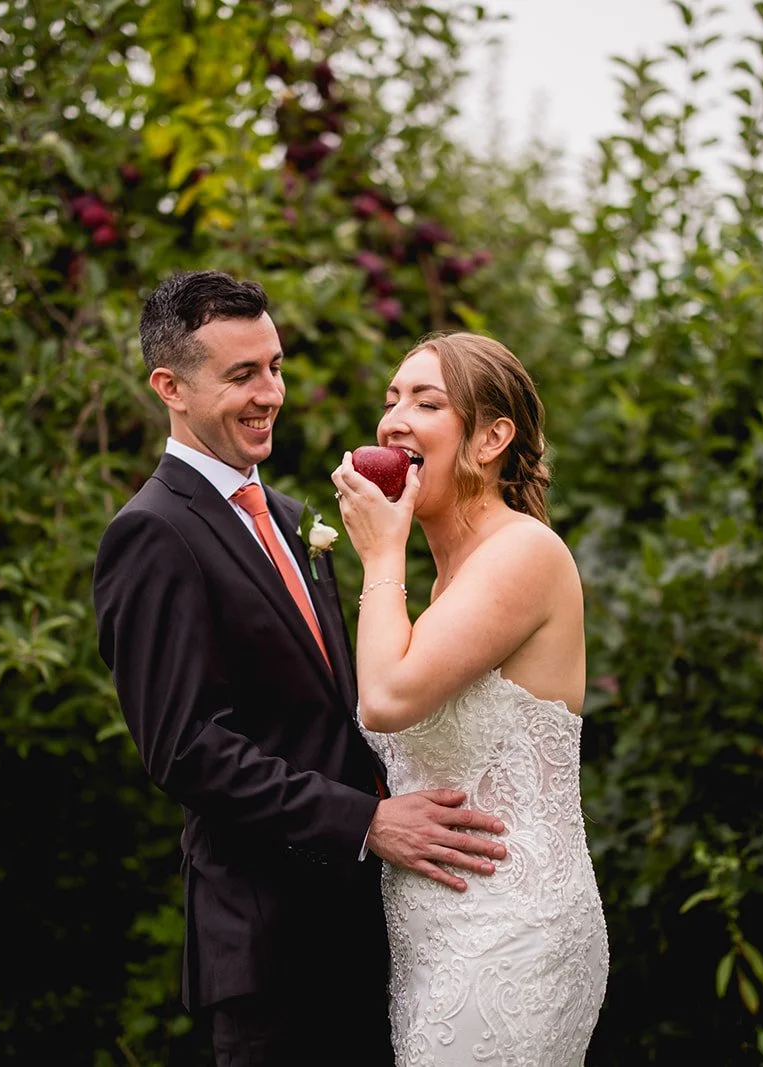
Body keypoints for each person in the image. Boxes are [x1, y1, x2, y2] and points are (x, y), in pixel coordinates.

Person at [91, 272, 509, 1067]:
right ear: (170, 387)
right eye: (242, 374)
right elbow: (186, 750)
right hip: (269, 947)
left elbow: (337, 710)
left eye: (275, 367)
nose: (270, 393)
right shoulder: (151, 533)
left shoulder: (289, 516)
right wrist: (366, 822)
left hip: (363, 931)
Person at [329, 332, 609, 1066]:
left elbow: (386, 698)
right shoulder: (448, 581)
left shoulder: (523, 553)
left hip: (510, 935)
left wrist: (380, 554)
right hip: (439, 939)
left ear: (491, 438)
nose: (394, 419)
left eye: (427, 403)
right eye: (392, 399)